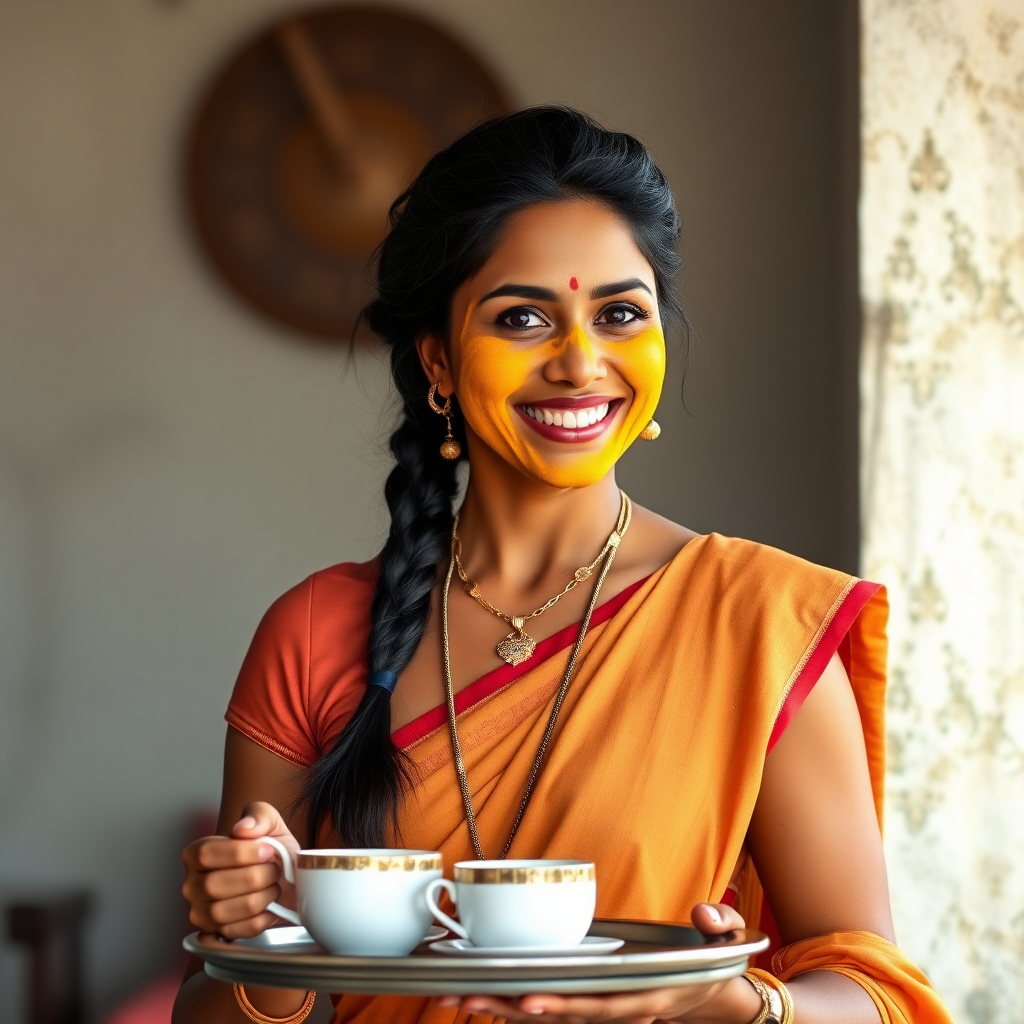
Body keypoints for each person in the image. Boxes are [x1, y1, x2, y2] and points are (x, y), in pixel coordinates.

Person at [174, 107, 952, 1024]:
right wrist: (258, 938)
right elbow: (210, 1011)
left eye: (620, 313)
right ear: (438, 360)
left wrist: (719, 1000)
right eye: (522, 318)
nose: (581, 363)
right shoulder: (315, 630)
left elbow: (876, 995)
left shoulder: (758, 621)